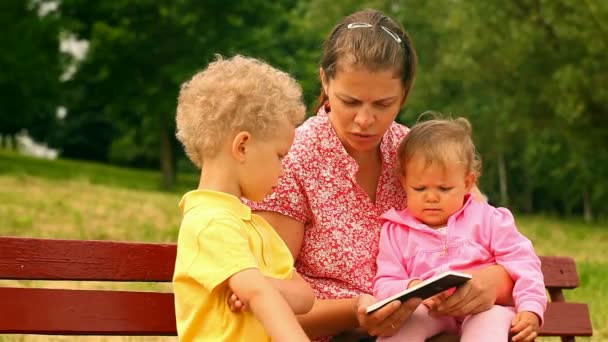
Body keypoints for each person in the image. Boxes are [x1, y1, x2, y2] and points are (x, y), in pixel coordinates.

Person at [243, 8, 517, 341]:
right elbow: (265, 304)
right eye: (350, 101)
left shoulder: (414, 152)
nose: (364, 119)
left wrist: (494, 281)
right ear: (325, 82)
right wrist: (354, 313)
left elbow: (485, 230)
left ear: (404, 95)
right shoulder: (290, 161)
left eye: (383, 104)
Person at [172, 55, 315, 341]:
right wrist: (260, 288)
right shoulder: (209, 223)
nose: (283, 169)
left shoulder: (254, 226)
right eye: (279, 156)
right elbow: (255, 291)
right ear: (243, 147)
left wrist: (267, 285)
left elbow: (304, 297)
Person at [374, 117, 546, 342]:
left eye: (444, 188)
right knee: (402, 326)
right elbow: (384, 282)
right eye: (420, 188)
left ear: (467, 183)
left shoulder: (489, 219)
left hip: (484, 307)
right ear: (404, 182)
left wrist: (531, 308)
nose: (432, 197)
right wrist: (412, 288)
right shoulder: (396, 231)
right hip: (429, 309)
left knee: (489, 324)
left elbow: (524, 264)